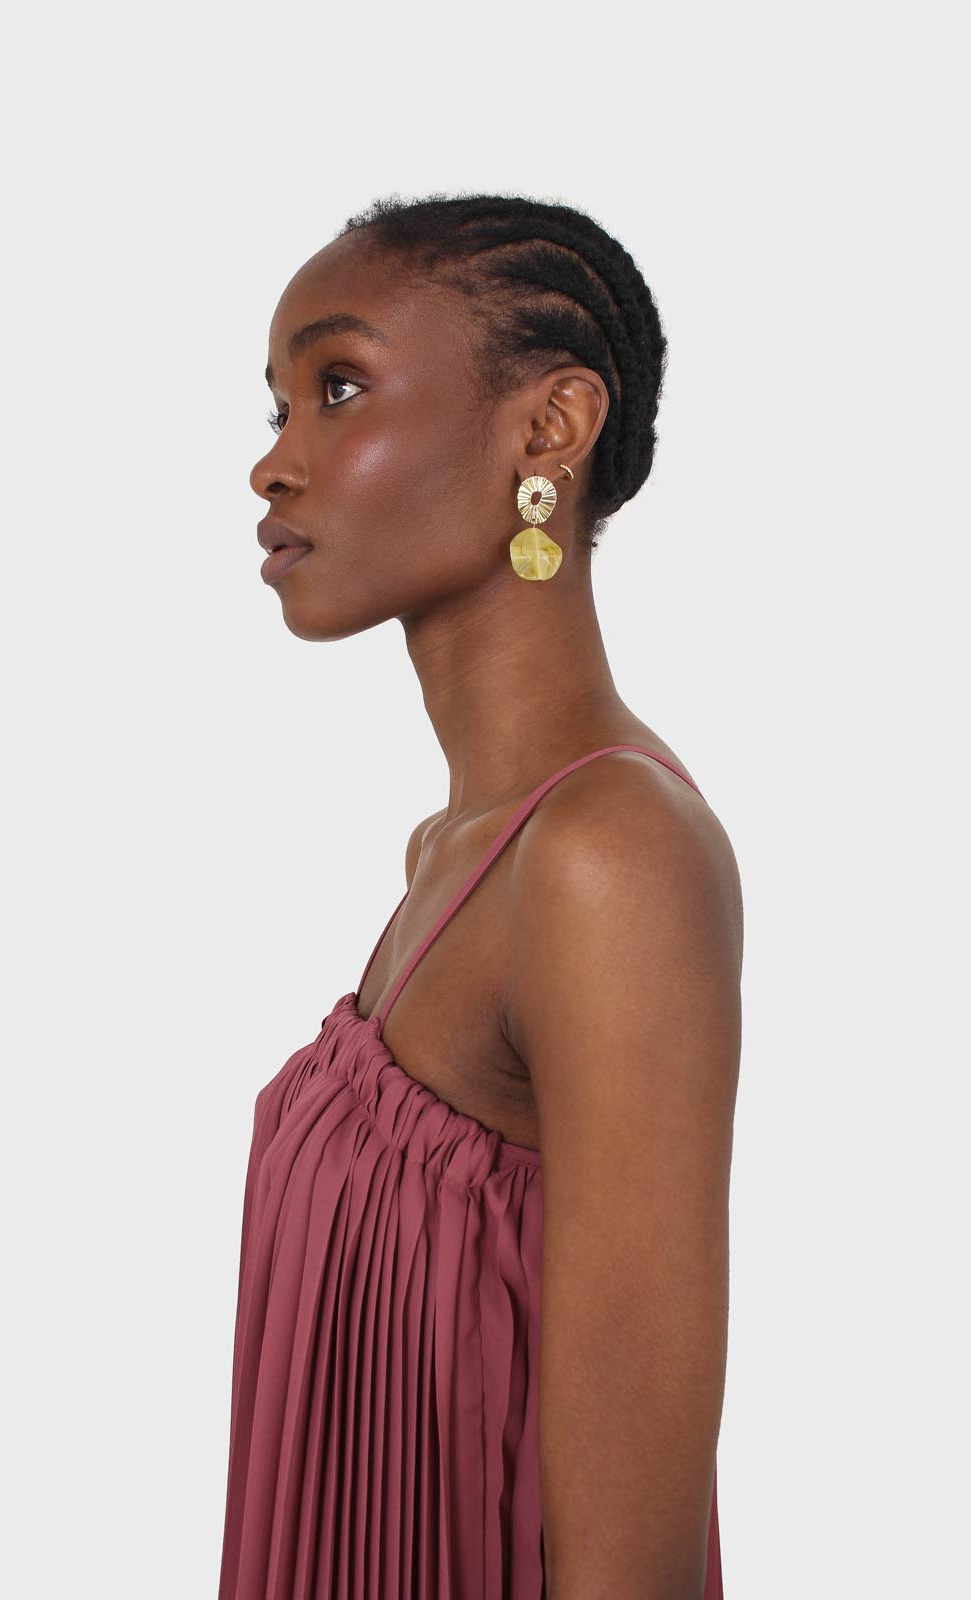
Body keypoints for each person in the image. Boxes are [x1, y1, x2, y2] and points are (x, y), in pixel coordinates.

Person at [218, 193, 743, 1600]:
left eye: (338, 389)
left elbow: (632, 1568)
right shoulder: (449, 858)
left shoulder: (609, 856)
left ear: (548, 429)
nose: (274, 461)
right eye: (276, 406)